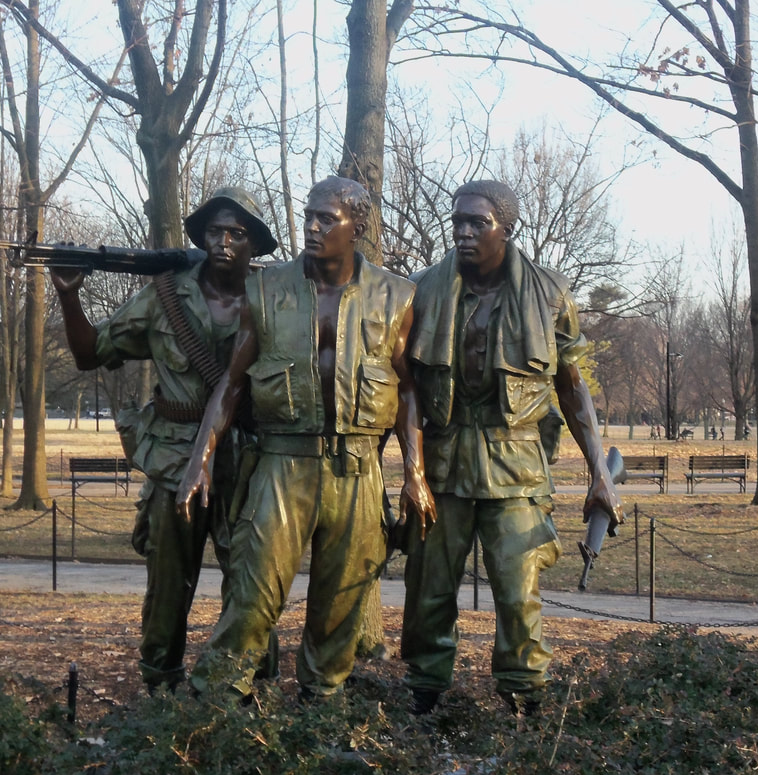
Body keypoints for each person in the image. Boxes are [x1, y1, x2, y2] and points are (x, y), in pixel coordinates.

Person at [177, 176, 436, 703]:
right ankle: (213, 709)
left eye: (327, 219)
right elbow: (231, 381)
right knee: (252, 596)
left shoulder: (396, 296)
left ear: (357, 227)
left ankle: (321, 714)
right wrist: (199, 459)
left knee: (340, 607)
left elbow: (409, 391)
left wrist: (414, 474)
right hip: (282, 464)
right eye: (309, 216)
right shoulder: (267, 288)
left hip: (359, 469)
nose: (312, 228)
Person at [400, 179, 624, 716]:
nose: (464, 232)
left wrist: (600, 471)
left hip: (516, 466)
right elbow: (402, 384)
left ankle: (524, 700)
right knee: (429, 590)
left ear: (507, 228)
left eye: (478, 223)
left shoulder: (549, 295)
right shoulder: (422, 290)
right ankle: (424, 698)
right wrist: (411, 472)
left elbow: (571, 386)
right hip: (444, 464)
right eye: (458, 221)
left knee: (518, 592)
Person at [49, 186, 278, 694]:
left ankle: (249, 688)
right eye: (214, 231)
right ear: (199, 238)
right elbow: (91, 354)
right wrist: (70, 297)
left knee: (252, 581)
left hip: (248, 458)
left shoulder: (273, 299)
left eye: (237, 233)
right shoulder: (164, 297)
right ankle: (160, 687)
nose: (223, 241)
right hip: (175, 456)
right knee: (169, 584)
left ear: (253, 245)